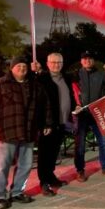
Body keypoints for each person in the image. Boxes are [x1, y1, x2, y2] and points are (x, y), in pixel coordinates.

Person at [0, 56, 52, 209]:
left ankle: (17, 192)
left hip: (28, 131)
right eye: (18, 66)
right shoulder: (0, 84)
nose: (22, 68)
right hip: (7, 131)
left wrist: (47, 123)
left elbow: (45, 105)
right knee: (2, 165)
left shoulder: (35, 86)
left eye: (24, 66)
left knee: (25, 165)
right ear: (12, 68)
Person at [33, 53, 75, 196]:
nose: (56, 65)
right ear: (48, 63)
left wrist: (74, 107)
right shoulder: (42, 79)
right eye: (53, 62)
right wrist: (44, 124)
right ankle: (44, 182)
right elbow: (38, 104)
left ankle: (51, 176)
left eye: (59, 62)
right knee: (44, 154)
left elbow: (69, 97)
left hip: (62, 122)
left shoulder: (65, 79)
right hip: (48, 125)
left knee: (53, 153)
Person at [72, 51, 105, 181]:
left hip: (98, 112)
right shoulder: (75, 74)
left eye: (90, 58)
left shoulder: (101, 72)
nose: (87, 61)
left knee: (103, 142)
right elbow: (71, 92)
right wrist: (74, 105)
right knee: (79, 145)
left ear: (93, 60)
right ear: (81, 61)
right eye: (84, 59)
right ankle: (80, 170)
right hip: (82, 114)